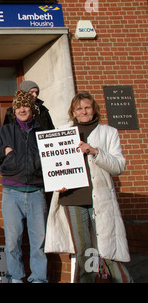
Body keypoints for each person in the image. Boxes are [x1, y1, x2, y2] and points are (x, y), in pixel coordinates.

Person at [45, 91, 132, 283]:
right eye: (79, 108)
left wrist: (95, 152)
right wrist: (56, 183)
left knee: (107, 249)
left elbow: (119, 166)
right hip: (72, 199)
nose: (83, 111)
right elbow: (53, 164)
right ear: (73, 112)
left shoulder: (109, 132)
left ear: (94, 109)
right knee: (83, 251)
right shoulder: (62, 132)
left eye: (87, 107)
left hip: (99, 198)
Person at [0, 90, 48, 283]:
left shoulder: (44, 133)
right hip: (12, 194)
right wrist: (3, 151)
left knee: (39, 244)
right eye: (18, 106)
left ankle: (39, 279)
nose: (22, 109)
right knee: (12, 243)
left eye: (26, 105)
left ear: (32, 108)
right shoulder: (4, 131)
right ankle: (15, 279)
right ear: (13, 109)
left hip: (37, 192)